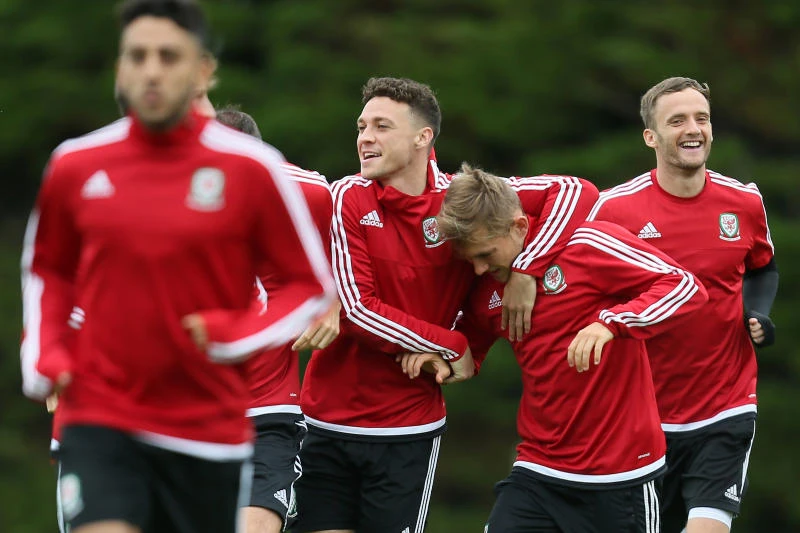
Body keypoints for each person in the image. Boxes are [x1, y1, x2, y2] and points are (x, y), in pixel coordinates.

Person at [20, 2, 335, 533]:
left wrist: (236, 335)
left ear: (202, 71)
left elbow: (306, 288)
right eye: (137, 55)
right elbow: (48, 270)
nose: (151, 70)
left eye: (168, 56)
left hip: (207, 424)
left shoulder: (253, 169)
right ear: (119, 68)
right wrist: (45, 353)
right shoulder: (76, 164)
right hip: (103, 414)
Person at [295, 76, 599, 533]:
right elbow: (358, 310)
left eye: (381, 126)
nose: (365, 138)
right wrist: (452, 345)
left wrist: (526, 269)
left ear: (423, 137)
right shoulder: (346, 197)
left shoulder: (460, 198)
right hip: (326, 417)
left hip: (407, 425)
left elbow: (577, 191)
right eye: (361, 127)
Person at [402, 163, 709, 532]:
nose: (479, 269)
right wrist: (446, 357)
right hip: (539, 470)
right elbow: (470, 343)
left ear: (519, 227)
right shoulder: (487, 287)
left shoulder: (588, 244)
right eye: (471, 260)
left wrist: (610, 323)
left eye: (486, 254)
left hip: (621, 474)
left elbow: (685, 287)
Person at [587, 77, 778, 533]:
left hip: (726, 406)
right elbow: (580, 287)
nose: (693, 129)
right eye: (677, 121)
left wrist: (758, 314)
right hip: (640, 416)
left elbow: (762, 268)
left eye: (702, 118)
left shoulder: (745, 201)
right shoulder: (613, 210)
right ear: (650, 137)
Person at [215, 105, 340, 533]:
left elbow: (351, 254)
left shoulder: (309, 192)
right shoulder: (173, 198)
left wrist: (334, 300)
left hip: (268, 413)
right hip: (195, 412)